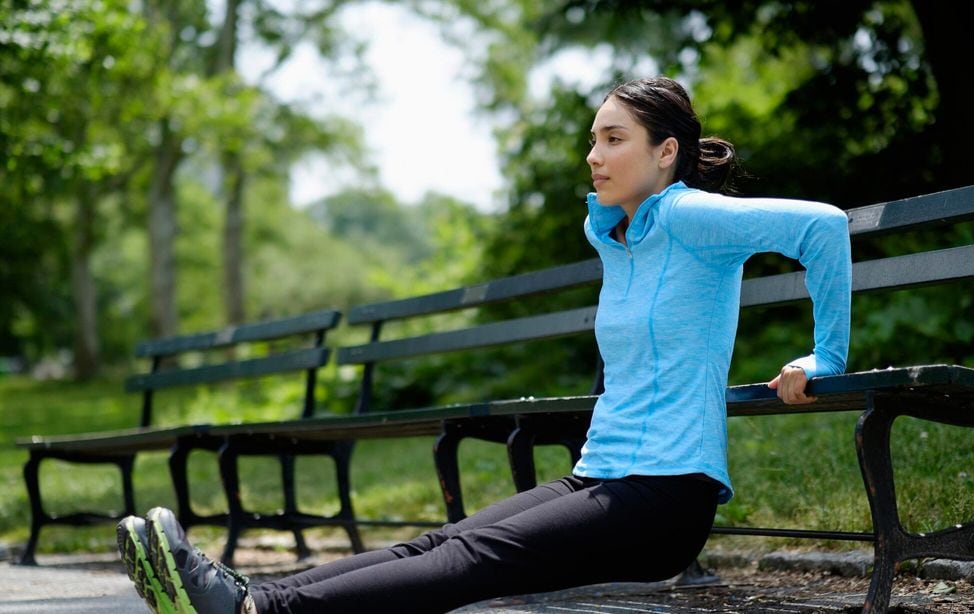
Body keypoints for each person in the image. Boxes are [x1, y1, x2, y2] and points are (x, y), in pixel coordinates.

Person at [116, 76, 852, 614]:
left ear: (666, 153)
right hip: (602, 476)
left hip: (662, 495)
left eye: (612, 139)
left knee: (471, 560)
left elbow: (820, 226)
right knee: (433, 546)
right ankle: (243, 597)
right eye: (593, 138)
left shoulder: (693, 216)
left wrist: (826, 356)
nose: (592, 155)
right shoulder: (624, 238)